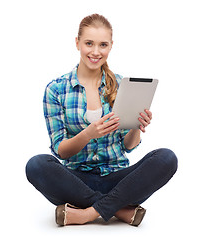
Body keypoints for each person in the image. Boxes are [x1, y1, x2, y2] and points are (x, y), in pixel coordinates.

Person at [25, 13, 178, 227]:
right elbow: (61, 151)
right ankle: (119, 209)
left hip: (120, 180)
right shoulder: (56, 90)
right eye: (89, 43)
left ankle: (86, 214)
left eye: (103, 45)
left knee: (166, 158)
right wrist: (89, 133)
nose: (96, 52)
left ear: (111, 46)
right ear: (77, 43)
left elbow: (128, 146)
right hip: (76, 182)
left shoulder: (122, 84)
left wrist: (137, 126)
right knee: (36, 165)